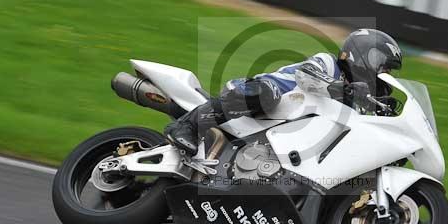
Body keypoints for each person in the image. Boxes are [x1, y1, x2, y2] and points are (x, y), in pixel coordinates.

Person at [164, 28, 403, 155]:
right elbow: (306, 76)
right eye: (383, 66)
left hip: (278, 137)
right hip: (254, 96)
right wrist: (346, 90)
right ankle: (187, 125)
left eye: (389, 71)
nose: (386, 75)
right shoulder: (329, 63)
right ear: (361, 54)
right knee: (268, 93)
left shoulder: (356, 104)